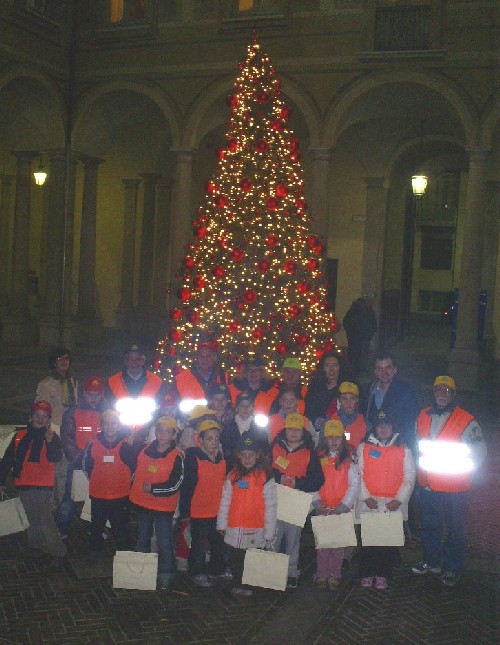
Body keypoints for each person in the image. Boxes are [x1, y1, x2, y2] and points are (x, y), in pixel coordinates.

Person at [411, 376, 487, 587]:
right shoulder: (422, 416)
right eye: (438, 390)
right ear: (433, 392)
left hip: (455, 487)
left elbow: (480, 452)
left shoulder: (466, 420)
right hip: (428, 485)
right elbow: (417, 446)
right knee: (430, 525)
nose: (442, 394)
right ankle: (432, 561)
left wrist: (465, 473)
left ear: (453, 394)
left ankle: (453, 568)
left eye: (447, 391)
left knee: (455, 529)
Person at [0, 401, 67, 569]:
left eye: (44, 416)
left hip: (43, 484)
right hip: (24, 483)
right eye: (37, 415)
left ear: (49, 420)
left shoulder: (52, 436)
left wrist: (50, 442)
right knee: (31, 518)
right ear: (31, 416)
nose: (40, 419)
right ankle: (38, 548)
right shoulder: (20, 435)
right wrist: (1, 481)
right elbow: (8, 459)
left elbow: (55, 458)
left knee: (45, 520)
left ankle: (58, 552)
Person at [356, 410, 415, 590]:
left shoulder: (404, 449)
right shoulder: (363, 447)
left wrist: (399, 500)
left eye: (387, 425)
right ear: (375, 427)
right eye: (380, 425)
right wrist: (365, 497)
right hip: (370, 503)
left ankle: (383, 574)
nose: (383, 429)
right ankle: (367, 572)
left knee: (387, 543)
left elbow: (410, 476)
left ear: (393, 428)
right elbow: (358, 474)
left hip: (392, 504)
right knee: (369, 542)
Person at [124, 416, 184, 590]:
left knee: (164, 541)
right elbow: (128, 460)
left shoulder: (177, 456)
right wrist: (128, 445)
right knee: (142, 538)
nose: (162, 434)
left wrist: (154, 489)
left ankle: (166, 574)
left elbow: (176, 483)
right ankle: (141, 573)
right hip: (143, 505)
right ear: (155, 432)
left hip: (163, 508)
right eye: (160, 430)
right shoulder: (144, 450)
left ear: (174, 435)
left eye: (167, 431)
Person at [217, 435, 277, 598]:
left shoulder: (265, 478)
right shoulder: (233, 476)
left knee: (252, 558)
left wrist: (269, 532)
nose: (247, 458)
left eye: (251, 454)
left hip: (256, 526)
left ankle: (251, 584)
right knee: (237, 557)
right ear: (238, 456)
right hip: (235, 525)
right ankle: (238, 582)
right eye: (244, 454)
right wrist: (221, 524)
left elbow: (271, 507)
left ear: (258, 455)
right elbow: (225, 501)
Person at [271, 413, 325, 589]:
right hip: (276, 500)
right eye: (290, 429)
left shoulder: (310, 453)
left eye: (297, 430)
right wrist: (280, 477)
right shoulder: (275, 448)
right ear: (285, 430)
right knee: (273, 536)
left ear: (303, 432)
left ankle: (291, 572)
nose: (293, 433)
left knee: (293, 539)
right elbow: (265, 471)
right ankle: (272, 570)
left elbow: (318, 480)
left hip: (296, 502)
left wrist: (297, 482)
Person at [179, 419, 228, 587]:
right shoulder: (193, 459)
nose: (214, 442)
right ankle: (197, 572)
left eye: (216, 439)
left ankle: (217, 570)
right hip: (198, 512)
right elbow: (187, 488)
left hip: (217, 511)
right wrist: (185, 513)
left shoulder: (221, 460)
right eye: (209, 439)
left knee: (217, 543)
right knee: (198, 545)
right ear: (200, 440)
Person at [57, 375, 107, 538]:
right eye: (90, 394)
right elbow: (67, 439)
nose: (94, 398)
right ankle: (62, 529)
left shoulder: (107, 413)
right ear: (84, 393)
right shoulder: (73, 411)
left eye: (97, 394)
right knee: (70, 498)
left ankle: (95, 528)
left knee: (98, 499)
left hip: (100, 464)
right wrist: (79, 460)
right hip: (77, 462)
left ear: (102, 394)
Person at [313, 419, 360, 589]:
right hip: (323, 508)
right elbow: (312, 482)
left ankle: (335, 573)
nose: (334, 441)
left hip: (341, 509)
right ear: (325, 439)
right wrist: (317, 502)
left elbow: (355, 484)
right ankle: (322, 573)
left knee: (338, 545)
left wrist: (344, 505)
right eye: (330, 437)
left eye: (337, 437)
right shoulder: (318, 458)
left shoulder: (349, 460)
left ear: (343, 438)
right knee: (323, 545)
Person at [82, 410, 132, 564]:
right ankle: (95, 551)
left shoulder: (127, 443)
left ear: (119, 425)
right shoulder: (93, 443)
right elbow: (86, 465)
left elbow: (135, 465)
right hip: (98, 494)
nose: (110, 426)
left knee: (120, 528)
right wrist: (97, 478)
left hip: (121, 494)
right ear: (101, 426)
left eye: (114, 423)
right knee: (97, 526)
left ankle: (124, 555)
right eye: (107, 423)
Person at [35, 346, 78, 506]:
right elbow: (40, 409)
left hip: (70, 431)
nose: (64, 361)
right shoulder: (46, 384)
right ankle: (53, 505)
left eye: (66, 358)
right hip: (54, 430)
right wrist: (46, 432)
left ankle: (63, 503)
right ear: (54, 363)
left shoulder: (72, 380)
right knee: (56, 470)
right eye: (60, 359)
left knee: (66, 471)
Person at [364, 352, 420, 450]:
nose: (384, 372)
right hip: (374, 446)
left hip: (398, 447)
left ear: (395, 370)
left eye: (388, 368)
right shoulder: (370, 391)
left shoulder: (406, 392)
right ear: (375, 371)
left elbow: (411, 424)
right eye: (380, 368)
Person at [106, 344, 166, 411]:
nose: (134, 363)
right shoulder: (112, 382)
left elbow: (160, 407)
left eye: (138, 359)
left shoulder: (156, 381)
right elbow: (109, 408)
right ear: (125, 361)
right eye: (130, 359)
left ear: (143, 361)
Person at [304, 351, 353, 431]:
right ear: (323, 368)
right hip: (317, 430)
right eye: (327, 365)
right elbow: (308, 409)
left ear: (340, 367)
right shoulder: (314, 387)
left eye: (334, 365)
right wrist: (318, 422)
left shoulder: (349, 387)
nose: (331, 369)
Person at [221, 392, 268, 469]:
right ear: (236, 408)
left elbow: (264, 451)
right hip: (234, 470)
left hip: (256, 470)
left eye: (248, 405)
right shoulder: (228, 429)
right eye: (242, 405)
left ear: (253, 407)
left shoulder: (260, 429)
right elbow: (226, 452)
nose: (245, 408)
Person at [342, 294, 377, 376]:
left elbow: (372, 322)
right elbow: (348, 322)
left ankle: (360, 369)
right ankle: (354, 370)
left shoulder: (369, 310)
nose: (372, 303)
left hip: (365, 337)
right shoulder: (355, 310)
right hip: (356, 337)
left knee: (363, 354)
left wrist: (372, 330)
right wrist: (355, 332)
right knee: (355, 353)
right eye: (370, 301)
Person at [327, 382, 366, 453]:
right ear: (339, 401)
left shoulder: (366, 424)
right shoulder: (329, 422)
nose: (349, 402)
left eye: (352, 398)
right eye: (345, 399)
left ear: (357, 400)